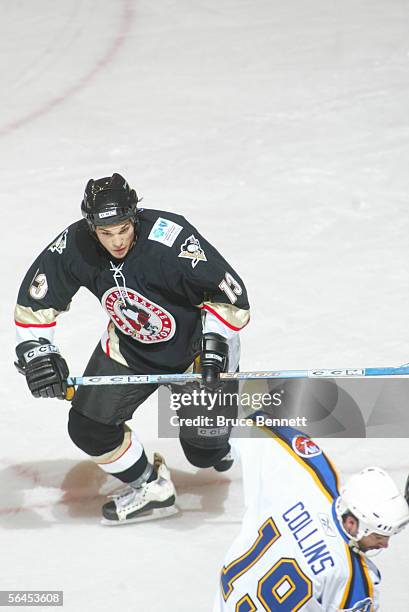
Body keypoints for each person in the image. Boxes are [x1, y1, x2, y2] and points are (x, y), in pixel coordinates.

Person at [14, 173, 250, 524]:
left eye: (123, 229)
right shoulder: (76, 243)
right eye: (106, 233)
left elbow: (231, 296)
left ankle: (217, 445)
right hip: (129, 351)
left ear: (135, 215)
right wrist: (37, 352)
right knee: (87, 428)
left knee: (204, 455)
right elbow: (34, 306)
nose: (117, 242)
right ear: (91, 225)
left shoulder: (172, 238)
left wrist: (214, 346)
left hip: (194, 356)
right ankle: (151, 488)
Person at [214, 423, 409, 611]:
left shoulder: (310, 474)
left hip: (227, 599)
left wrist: (211, 443)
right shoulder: (354, 581)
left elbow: (257, 424)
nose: (385, 545)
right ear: (352, 523)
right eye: (379, 536)